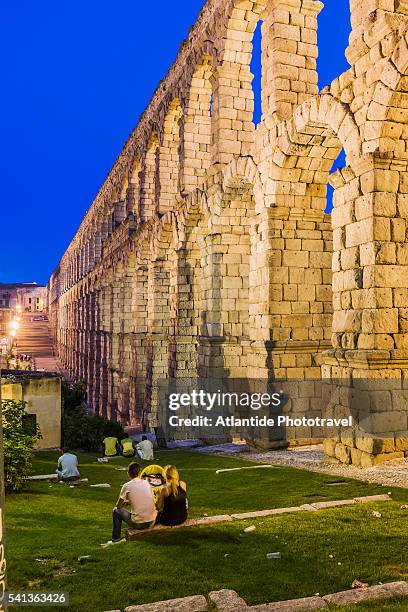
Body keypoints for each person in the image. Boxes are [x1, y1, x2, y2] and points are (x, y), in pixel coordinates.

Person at [105, 462, 157, 545]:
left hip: (140, 523)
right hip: (152, 520)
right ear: (140, 472)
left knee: (116, 511)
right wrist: (130, 501)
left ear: (128, 473)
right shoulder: (147, 483)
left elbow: (118, 506)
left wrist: (126, 502)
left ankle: (116, 539)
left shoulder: (127, 486)